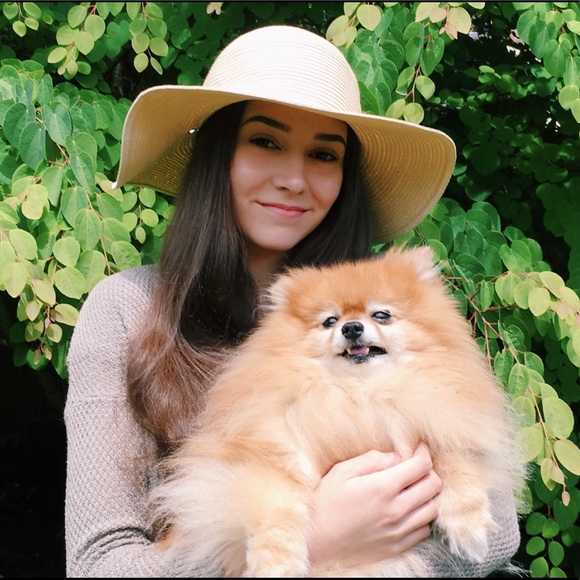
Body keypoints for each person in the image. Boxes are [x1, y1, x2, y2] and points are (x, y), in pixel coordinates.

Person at [64, 25, 522, 577]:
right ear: (217, 154)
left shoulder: (391, 299)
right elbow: (98, 564)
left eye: (323, 154)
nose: (293, 179)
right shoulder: (126, 307)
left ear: (345, 176)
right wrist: (319, 542)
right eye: (265, 141)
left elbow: (496, 534)